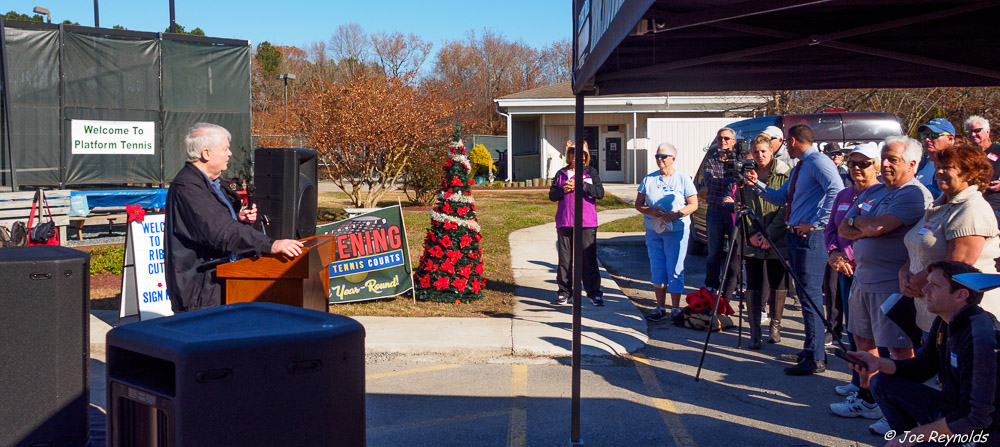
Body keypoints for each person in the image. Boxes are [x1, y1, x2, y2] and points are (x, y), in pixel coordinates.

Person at [832, 137, 932, 421]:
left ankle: (902, 408)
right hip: (863, 279)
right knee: (863, 342)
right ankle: (868, 398)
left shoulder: (912, 193)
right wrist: (865, 228)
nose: (885, 164)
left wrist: (865, 226)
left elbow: (877, 226)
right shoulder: (872, 192)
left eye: (893, 160)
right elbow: (844, 229)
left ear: (913, 164)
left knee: (899, 350)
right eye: (884, 158)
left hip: (890, 284)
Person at [851, 261, 1000, 445]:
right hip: (951, 410)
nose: (925, 289)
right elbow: (923, 367)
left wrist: (915, 435)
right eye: (927, 282)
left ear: (961, 295)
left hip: (978, 430)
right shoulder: (945, 320)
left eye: (935, 285)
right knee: (881, 382)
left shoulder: (979, 336)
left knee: (918, 439)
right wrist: (878, 363)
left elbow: (977, 416)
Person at [165, 123, 303, 313]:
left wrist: (237, 217)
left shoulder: (212, 183)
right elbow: (219, 231)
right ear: (206, 153)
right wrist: (271, 245)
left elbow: (213, 222)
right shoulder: (188, 187)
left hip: (215, 285)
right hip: (200, 291)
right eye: (225, 149)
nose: (229, 153)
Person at [747, 124, 844, 375]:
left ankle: (816, 358)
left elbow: (837, 191)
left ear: (791, 141)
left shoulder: (819, 162)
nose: (783, 147)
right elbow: (781, 198)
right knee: (804, 295)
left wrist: (817, 222)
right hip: (796, 237)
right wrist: (757, 184)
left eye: (784, 142)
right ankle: (811, 348)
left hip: (810, 238)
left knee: (810, 295)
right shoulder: (801, 166)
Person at [901, 144, 1000, 330]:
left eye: (948, 167)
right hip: (933, 313)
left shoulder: (972, 208)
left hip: (965, 318)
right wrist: (904, 272)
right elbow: (919, 245)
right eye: (938, 167)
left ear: (970, 173)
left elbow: (957, 264)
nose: (939, 172)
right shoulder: (939, 206)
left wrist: (918, 281)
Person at [824, 142, 883, 398]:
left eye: (864, 163)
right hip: (843, 270)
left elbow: (874, 233)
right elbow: (831, 230)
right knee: (853, 329)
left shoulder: (881, 194)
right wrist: (834, 253)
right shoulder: (844, 194)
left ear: (877, 166)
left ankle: (874, 389)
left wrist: (848, 257)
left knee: (870, 333)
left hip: (867, 271)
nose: (857, 168)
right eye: (853, 163)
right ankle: (858, 379)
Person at [636, 143, 698, 321]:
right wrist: (650, 211)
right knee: (657, 269)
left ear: (673, 159)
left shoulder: (683, 179)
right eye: (657, 157)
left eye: (663, 157)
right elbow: (638, 204)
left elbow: (693, 204)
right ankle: (660, 307)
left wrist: (677, 214)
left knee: (675, 268)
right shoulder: (649, 179)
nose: (660, 160)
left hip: (676, 231)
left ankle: (676, 308)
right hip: (654, 230)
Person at [738, 134, 790, 348]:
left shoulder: (784, 174)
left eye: (764, 151)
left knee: (778, 281)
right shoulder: (746, 175)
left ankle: (775, 326)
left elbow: (786, 205)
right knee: (754, 282)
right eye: (756, 152)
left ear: (772, 151)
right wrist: (752, 233)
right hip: (753, 238)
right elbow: (742, 207)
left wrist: (770, 233)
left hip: (777, 236)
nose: (760, 156)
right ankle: (754, 330)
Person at [549, 142, 605, 306]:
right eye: (572, 152)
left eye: (580, 152)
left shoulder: (591, 172)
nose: (576, 155)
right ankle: (564, 293)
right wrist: (563, 190)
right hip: (565, 221)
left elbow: (599, 193)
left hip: (586, 222)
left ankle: (594, 293)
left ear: (585, 155)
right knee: (565, 259)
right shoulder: (561, 173)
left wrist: (582, 185)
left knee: (588, 258)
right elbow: (552, 195)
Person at [703, 127, 739, 294]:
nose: (722, 141)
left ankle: (733, 285)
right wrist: (729, 180)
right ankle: (711, 284)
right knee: (714, 250)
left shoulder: (739, 161)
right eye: (719, 138)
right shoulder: (711, 161)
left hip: (734, 211)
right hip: (715, 209)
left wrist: (722, 180)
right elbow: (709, 182)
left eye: (726, 138)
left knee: (735, 250)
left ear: (733, 141)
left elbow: (739, 182)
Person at [964, 115, 1000, 223]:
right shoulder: (966, 154)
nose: (973, 134)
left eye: (977, 130)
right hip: (970, 203)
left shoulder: (998, 150)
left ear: (987, 132)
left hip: (994, 205)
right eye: (969, 132)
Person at [914, 118, 957, 198]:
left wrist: (907, 193)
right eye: (925, 135)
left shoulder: (953, 164)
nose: (927, 139)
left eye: (933, 135)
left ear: (950, 139)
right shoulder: (924, 160)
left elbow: (938, 193)